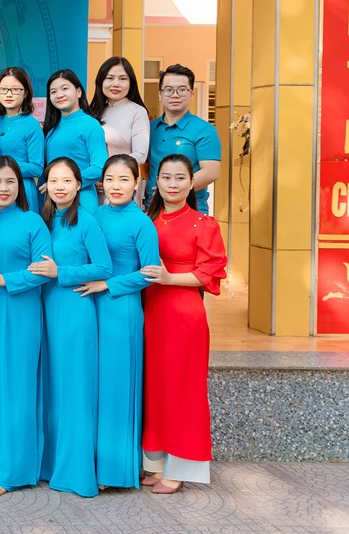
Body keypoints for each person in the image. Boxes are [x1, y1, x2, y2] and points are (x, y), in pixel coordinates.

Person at [140, 154, 227, 494]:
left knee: (182, 388)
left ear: (192, 183)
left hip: (183, 315)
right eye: (166, 177)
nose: (173, 184)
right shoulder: (149, 221)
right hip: (151, 312)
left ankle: (179, 467)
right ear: (156, 182)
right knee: (156, 387)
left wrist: (169, 277)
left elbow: (210, 273)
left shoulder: (204, 224)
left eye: (180, 178)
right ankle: (157, 463)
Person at [30, 157, 112, 498]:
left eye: (67, 180)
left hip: (74, 310)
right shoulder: (44, 220)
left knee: (74, 389)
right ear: (45, 186)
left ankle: (76, 473)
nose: (60, 186)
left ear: (80, 185)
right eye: (54, 180)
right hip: (45, 308)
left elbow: (104, 267)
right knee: (51, 388)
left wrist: (61, 273)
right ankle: (50, 464)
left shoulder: (87, 221)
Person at [0, 155, 52, 498]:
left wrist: (5, 279)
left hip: (19, 310)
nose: (3, 188)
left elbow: (44, 269)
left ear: (20, 185)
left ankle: (11, 470)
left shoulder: (32, 221)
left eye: (10, 181)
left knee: (16, 386)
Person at [87, 155, 161, 490]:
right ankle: (94, 462)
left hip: (122, 308)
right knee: (97, 385)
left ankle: (115, 471)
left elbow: (150, 272)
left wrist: (109, 284)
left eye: (124, 179)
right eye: (110, 179)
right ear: (101, 183)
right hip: (93, 305)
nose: (116, 186)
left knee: (117, 386)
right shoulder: (95, 215)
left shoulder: (141, 223)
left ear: (136, 184)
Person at [147, 64, 221, 214]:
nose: (175, 95)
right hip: (153, 210)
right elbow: (146, 167)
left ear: (191, 94)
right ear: (160, 95)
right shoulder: (149, 128)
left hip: (191, 210)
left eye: (182, 90)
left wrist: (169, 189)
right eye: (168, 90)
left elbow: (211, 172)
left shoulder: (204, 130)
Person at [43, 70, 108, 214]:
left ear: (78, 92)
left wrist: (68, 184)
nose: (59, 95)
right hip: (53, 200)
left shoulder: (91, 125)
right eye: (53, 92)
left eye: (65, 88)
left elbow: (100, 166)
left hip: (81, 199)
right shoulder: (52, 128)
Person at [0, 67, 44, 208]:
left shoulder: (32, 125)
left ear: (25, 93)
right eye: (4, 89)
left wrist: (0, 161)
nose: (9, 94)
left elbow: (36, 168)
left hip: (21, 190)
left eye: (15, 89)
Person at [90, 57, 150, 167]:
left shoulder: (138, 112)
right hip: (91, 177)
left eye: (123, 79)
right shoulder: (92, 112)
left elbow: (140, 155)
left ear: (130, 84)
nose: (116, 84)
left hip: (120, 176)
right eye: (110, 78)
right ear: (101, 82)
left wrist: (109, 169)